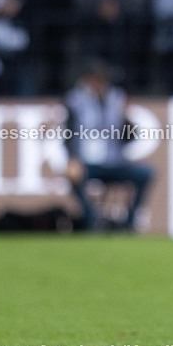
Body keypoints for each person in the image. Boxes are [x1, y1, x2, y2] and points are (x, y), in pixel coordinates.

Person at [64, 61, 154, 231]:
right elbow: (69, 133)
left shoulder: (116, 99)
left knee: (146, 173)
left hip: (114, 162)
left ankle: (129, 222)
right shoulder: (76, 101)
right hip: (88, 163)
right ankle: (92, 221)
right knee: (73, 177)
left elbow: (129, 137)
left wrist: (127, 119)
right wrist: (72, 160)